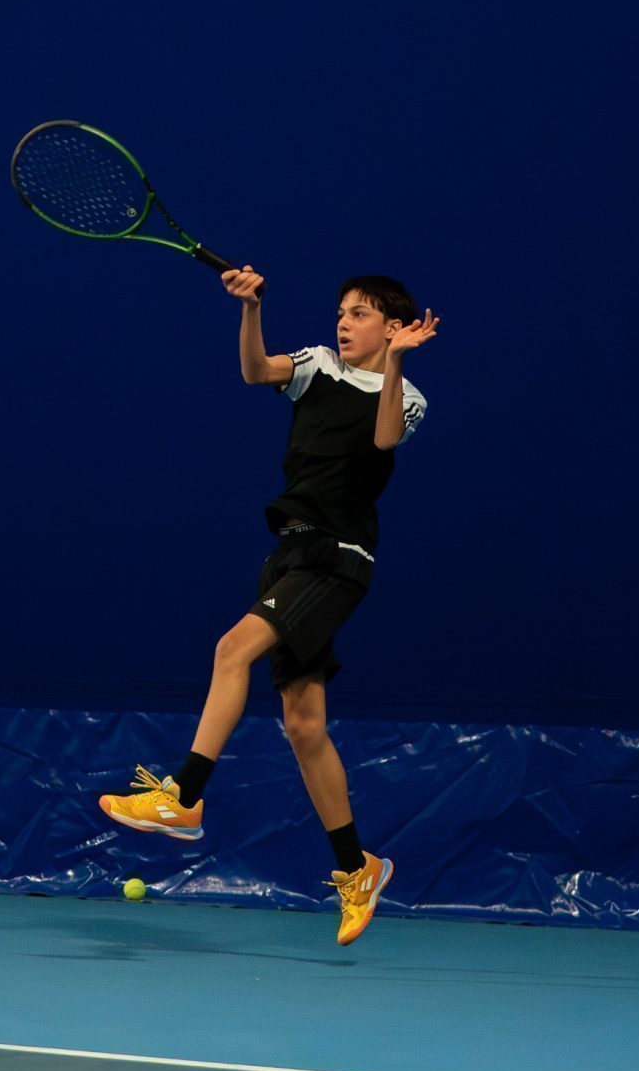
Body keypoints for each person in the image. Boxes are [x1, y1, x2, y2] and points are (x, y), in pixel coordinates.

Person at [99, 273, 438, 945]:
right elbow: (255, 370)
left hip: (338, 557)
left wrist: (396, 362)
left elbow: (382, 441)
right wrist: (251, 309)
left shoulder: (407, 397)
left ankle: (183, 796)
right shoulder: (317, 365)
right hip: (289, 552)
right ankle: (358, 869)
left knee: (233, 648)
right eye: (341, 312)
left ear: (393, 327)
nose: (344, 322)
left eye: (360, 314)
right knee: (304, 724)